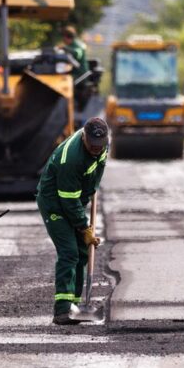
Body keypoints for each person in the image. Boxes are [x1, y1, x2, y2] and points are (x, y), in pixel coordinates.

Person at [36, 117, 109, 325]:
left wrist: (92, 188)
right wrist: (84, 227)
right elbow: (68, 200)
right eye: (92, 146)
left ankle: (75, 305)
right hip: (54, 203)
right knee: (69, 252)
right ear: (84, 137)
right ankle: (61, 311)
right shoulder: (71, 159)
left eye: (100, 145)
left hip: (73, 199)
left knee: (83, 251)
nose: (97, 149)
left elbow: (97, 168)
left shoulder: (102, 144)